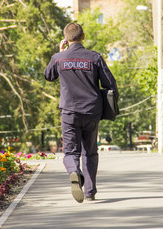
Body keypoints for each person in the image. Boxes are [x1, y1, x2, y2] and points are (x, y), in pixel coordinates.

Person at [44, 22, 118, 203]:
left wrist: (60, 52)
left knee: (70, 151)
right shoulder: (94, 58)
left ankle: (74, 172)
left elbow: (48, 75)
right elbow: (110, 85)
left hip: (69, 112)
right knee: (90, 152)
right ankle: (90, 191)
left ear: (66, 39)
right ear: (83, 37)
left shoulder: (59, 58)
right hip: (92, 111)